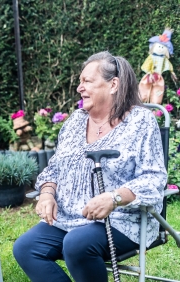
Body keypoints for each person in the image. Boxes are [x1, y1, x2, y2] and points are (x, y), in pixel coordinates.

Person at [13, 51, 167, 281]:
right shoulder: (75, 121)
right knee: (26, 247)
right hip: (68, 218)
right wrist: (46, 194)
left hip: (121, 219)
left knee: (76, 244)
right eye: (80, 81)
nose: (79, 88)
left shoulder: (141, 122)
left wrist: (113, 198)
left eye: (87, 81)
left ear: (113, 84)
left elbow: (153, 178)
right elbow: (54, 168)